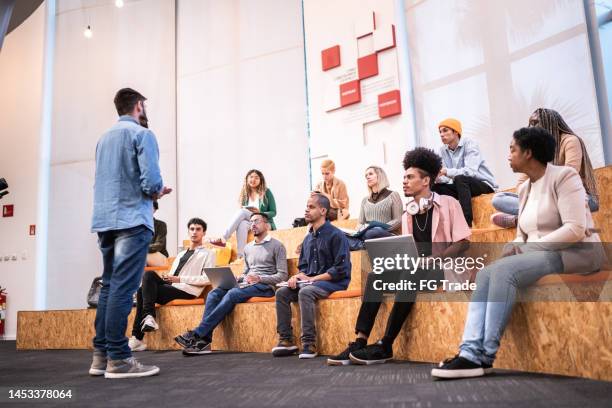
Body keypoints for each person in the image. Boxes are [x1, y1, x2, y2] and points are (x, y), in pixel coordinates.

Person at [432, 126, 604, 379]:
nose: (508, 155)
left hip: (576, 252)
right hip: (538, 253)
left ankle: (484, 355)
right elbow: (523, 233)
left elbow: (575, 229)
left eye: (512, 149)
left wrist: (527, 248)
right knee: (485, 274)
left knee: (502, 272)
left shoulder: (564, 177)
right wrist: (514, 245)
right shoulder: (524, 188)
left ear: (529, 153)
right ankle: (469, 352)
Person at [327, 148, 471, 366]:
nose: (404, 181)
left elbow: (463, 242)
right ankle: (360, 340)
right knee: (377, 276)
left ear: (425, 181)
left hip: (445, 267)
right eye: (404, 177)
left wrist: (435, 258)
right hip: (416, 268)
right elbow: (408, 248)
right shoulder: (409, 212)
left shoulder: (449, 203)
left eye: (410, 177)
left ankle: (386, 344)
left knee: (410, 273)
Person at [90, 88, 172, 379]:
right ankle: (120, 360)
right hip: (132, 220)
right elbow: (150, 182)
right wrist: (158, 191)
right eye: (144, 106)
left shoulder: (103, 139)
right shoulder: (143, 134)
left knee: (110, 288)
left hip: (104, 221)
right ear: (138, 106)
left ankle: (101, 356)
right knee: (123, 291)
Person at [174, 212, 288, 355]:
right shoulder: (248, 248)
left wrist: (260, 278)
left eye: (257, 221)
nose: (253, 224)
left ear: (267, 225)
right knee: (214, 294)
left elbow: (283, 275)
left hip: (265, 287)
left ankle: (197, 334)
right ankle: (204, 342)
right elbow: (247, 271)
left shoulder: (277, 246)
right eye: (251, 222)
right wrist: (239, 277)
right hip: (247, 284)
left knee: (233, 293)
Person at [491, 108, 600, 228]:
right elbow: (521, 186)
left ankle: (518, 220)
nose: (531, 128)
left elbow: (569, 178)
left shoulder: (570, 141)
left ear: (549, 124)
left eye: (535, 123)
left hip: (575, 197)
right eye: (530, 124)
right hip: (544, 200)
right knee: (498, 199)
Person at [272, 194, 351, 359]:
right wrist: (297, 277)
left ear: (323, 210)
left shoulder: (337, 235)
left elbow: (340, 270)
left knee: (305, 291)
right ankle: (286, 340)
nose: (306, 210)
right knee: (282, 293)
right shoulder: (307, 239)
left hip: (334, 282)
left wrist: (312, 279)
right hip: (312, 282)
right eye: (306, 207)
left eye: (311, 207)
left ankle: (309, 342)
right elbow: (304, 268)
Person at [129, 218, 215, 352]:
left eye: (198, 229)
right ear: (188, 232)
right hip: (173, 285)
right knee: (148, 276)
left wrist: (179, 279)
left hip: (187, 290)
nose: (194, 232)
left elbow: (206, 279)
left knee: (141, 291)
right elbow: (172, 275)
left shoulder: (208, 254)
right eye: (192, 229)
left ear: (204, 233)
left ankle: (137, 337)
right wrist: (168, 278)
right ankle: (148, 319)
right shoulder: (181, 254)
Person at [431, 118, 497, 227]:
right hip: (461, 187)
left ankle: (466, 224)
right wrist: (436, 177)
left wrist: (446, 171)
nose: (442, 135)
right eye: (440, 132)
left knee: (460, 179)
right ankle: (443, 225)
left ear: (456, 132)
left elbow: (470, 172)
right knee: (435, 187)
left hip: (483, 185)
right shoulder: (442, 150)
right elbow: (446, 178)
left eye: (445, 130)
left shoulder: (470, 144)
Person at [210, 169, 277, 258]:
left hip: (264, 222)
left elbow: (273, 212)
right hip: (251, 222)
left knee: (242, 212)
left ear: (261, 180)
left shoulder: (266, 192)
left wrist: (259, 213)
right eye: (251, 177)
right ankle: (241, 256)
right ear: (247, 179)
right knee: (242, 224)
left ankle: (224, 238)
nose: (253, 179)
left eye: (256, 178)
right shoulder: (245, 194)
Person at [346, 166, 403, 251]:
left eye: (370, 174)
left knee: (375, 231)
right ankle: (363, 245)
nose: (367, 177)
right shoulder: (365, 200)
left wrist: (380, 227)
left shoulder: (393, 195)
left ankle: (359, 244)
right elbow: (360, 223)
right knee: (342, 236)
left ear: (380, 176)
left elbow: (398, 220)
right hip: (367, 234)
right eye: (366, 176)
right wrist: (358, 231)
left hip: (386, 233)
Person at [146, 200, 169, 267]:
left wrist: (141, 248)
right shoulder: (137, 226)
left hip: (158, 256)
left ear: (155, 209)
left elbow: (159, 245)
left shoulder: (161, 225)